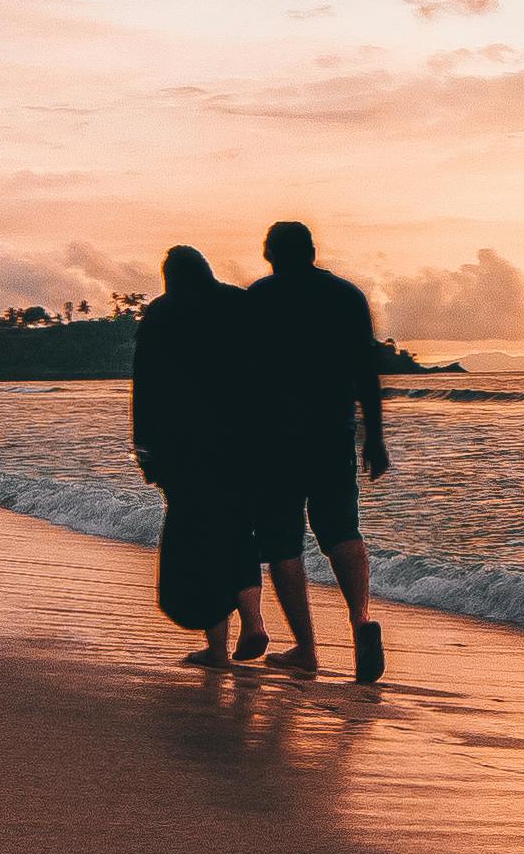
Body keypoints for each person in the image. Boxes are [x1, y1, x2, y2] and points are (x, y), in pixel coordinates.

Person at [237, 219, 391, 682]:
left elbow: (242, 373)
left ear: (270, 255)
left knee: (283, 540)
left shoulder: (260, 297)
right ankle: (361, 619)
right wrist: (375, 437)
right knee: (342, 529)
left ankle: (306, 650)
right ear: (312, 252)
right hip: (332, 433)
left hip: (274, 438)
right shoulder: (347, 296)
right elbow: (366, 372)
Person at [128, 245, 270, 665]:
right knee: (238, 530)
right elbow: (268, 372)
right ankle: (254, 621)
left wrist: (145, 450)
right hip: (243, 444)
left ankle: (218, 649)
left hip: (182, 449)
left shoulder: (161, 315)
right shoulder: (240, 303)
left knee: (200, 540)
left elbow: (145, 388)